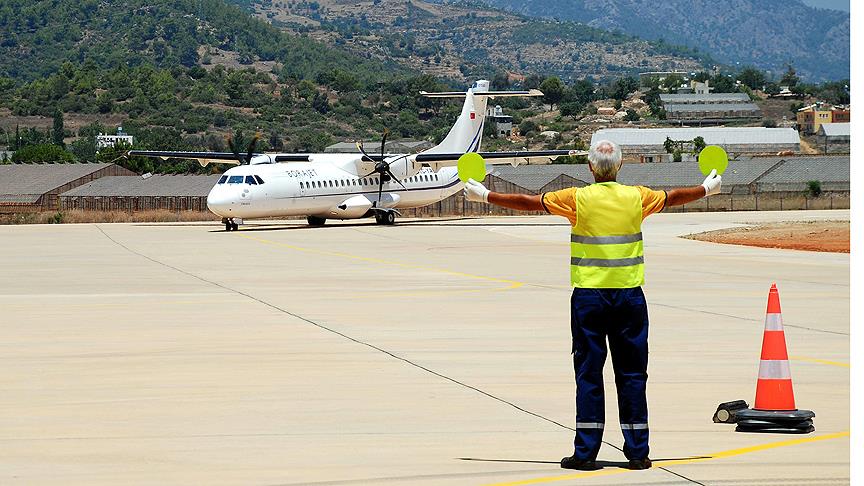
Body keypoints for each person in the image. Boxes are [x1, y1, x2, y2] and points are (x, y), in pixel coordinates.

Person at [463, 140, 721, 471]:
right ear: (620, 166)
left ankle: (586, 454)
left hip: (589, 298)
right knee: (632, 374)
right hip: (629, 296)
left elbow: (529, 203)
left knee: (588, 374)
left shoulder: (576, 199)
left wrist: (485, 195)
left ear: (590, 168)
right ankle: (638, 452)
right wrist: (704, 189)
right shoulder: (637, 197)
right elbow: (672, 197)